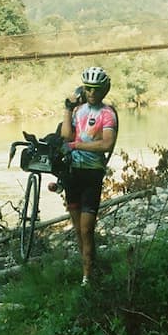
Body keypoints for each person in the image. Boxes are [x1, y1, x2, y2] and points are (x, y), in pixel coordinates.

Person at [58, 65, 118, 287]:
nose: (92, 93)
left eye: (96, 89)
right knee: (77, 229)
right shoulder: (78, 111)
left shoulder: (107, 113)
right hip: (74, 173)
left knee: (86, 229)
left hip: (92, 174)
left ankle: (87, 278)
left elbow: (107, 143)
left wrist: (77, 145)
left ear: (104, 90)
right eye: (88, 88)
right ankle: (89, 268)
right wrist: (67, 108)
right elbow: (66, 136)